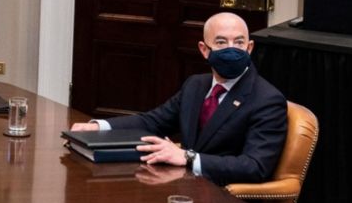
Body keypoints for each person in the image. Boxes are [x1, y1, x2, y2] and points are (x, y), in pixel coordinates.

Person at [70, 12, 288, 186]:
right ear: (204, 50)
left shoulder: (267, 100)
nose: (231, 49)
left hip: (225, 200)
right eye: (221, 42)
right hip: (182, 185)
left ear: (249, 48)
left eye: (239, 42)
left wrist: (189, 158)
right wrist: (100, 126)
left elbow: (254, 166)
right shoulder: (196, 85)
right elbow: (152, 122)